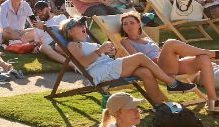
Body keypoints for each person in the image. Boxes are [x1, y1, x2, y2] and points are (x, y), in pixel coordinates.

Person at [116, 10, 219, 111]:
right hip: (157, 68)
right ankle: (212, 53)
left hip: (171, 64)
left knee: (202, 59)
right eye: (125, 24)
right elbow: (138, 60)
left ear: (138, 24)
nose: (128, 26)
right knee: (170, 43)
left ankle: (212, 101)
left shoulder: (146, 39)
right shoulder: (126, 41)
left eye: (132, 22)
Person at [60, 17, 194, 104]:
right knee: (140, 57)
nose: (84, 27)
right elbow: (83, 63)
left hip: (108, 66)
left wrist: (108, 52)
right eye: (80, 25)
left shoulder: (86, 44)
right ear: (71, 31)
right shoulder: (73, 45)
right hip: (100, 72)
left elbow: (97, 57)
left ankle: (160, 107)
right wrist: (100, 51)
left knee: (145, 71)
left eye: (84, 24)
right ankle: (172, 83)